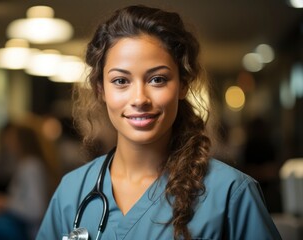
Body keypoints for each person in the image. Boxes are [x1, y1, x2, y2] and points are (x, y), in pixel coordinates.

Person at [37, 5, 281, 240]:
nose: (140, 99)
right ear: (101, 89)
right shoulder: (72, 192)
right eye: (121, 81)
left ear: (183, 85)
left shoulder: (231, 193)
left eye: (157, 79)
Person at [0, 124, 48, 240]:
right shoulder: (28, 164)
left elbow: (36, 209)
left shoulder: (30, 166)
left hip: (27, 230)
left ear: (22, 141)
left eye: (12, 138)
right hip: (22, 226)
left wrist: (5, 203)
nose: (8, 143)